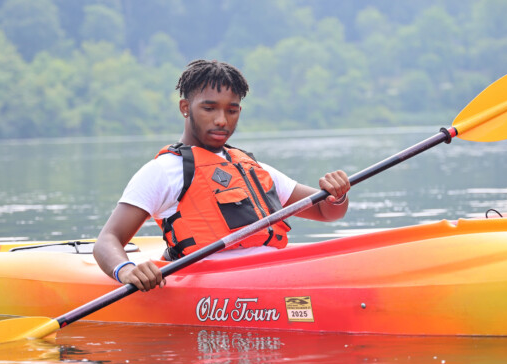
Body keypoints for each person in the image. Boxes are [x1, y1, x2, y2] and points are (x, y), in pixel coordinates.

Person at [93, 59, 350, 292]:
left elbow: (326, 213)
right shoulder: (164, 171)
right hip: (210, 284)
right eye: (209, 108)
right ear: (185, 107)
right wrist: (126, 270)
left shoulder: (254, 168)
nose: (221, 120)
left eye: (232, 110)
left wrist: (336, 195)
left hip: (273, 273)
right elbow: (107, 240)